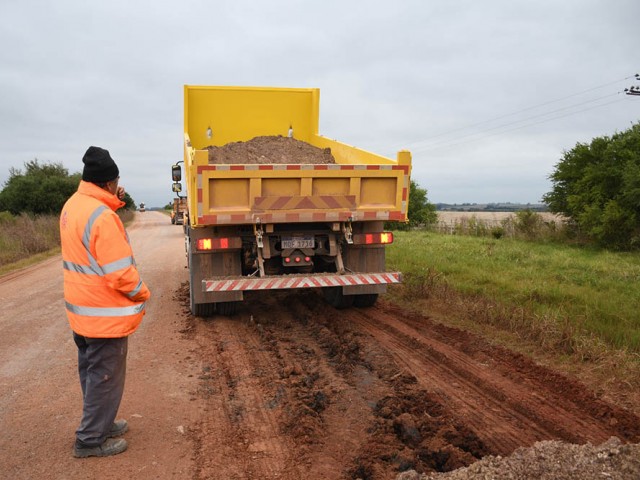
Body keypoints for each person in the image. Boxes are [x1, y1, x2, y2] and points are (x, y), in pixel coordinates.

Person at [60, 146, 151, 458]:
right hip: (103, 316)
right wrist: (142, 292)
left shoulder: (74, 205)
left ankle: (101, 423)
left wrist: (113, 197)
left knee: (92, 372)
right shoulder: (103, 217)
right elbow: (121, 274)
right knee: (105, 376)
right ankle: (89, 440)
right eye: (116, 180)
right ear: (108, 183)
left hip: (82, 312)